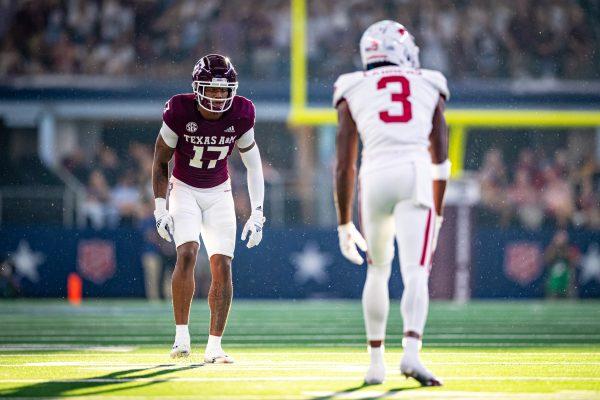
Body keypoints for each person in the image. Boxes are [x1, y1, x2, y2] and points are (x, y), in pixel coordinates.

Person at [333, 20, 449, 386]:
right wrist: (439, 209)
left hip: (374, 176)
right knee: (416, 271)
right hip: (414, 174)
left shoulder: (351, 85)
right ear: (404, 51)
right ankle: (411, 355)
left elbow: (344, 163)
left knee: (377, 270)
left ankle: (375, 364)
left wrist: (342, 222)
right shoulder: (429, 81)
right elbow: (441, 158)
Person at [152, 54, 265, 363]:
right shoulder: (179, 110)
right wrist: (160, 207)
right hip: (184, 188)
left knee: (222, 265)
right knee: (187, 252)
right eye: (211, 89)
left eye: (223, 89)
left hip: (219, 192)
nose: (217, 96)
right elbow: (161, 159)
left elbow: (253, 166)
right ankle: (181, 337)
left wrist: (258, 213)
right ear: (197, 88)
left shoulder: (242, 113)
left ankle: (214, 346)